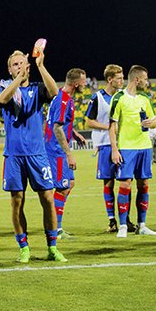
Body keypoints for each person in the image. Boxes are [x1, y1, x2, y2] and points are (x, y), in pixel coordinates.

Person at [0, 46, 66, 263]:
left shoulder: (36, 89)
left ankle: (52, 247)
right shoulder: (4, 86)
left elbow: (54, 92)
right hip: (14, 156)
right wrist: (18, 78)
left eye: (21, 63)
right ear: (9, 69)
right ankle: (23, 247)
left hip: (37, 155)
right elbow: (3, 99)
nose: (19, 66)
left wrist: (40, 66)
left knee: (47, 198)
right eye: (15, 64)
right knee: (17, 201)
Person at [109, 65, 156, 237]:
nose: (147, 82)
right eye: (145, 79)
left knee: (143, 184)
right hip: (127, 147)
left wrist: (150, 123)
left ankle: (142, 225)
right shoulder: (119, 98)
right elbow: (112, 125)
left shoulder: (144, 98)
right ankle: (123, 225)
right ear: (137, 79)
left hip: (144, 147)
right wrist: (115, 149)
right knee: (125, 185)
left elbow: (154, 121)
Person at [45, 68, 88, 238]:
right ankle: (56, 229)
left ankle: (56, 226)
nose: (85, 85)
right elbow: (56, 127)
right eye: (83, 82)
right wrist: (69, 153)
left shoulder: (63, 97)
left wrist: (74, 133)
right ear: (76, 83)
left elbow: (61, 122)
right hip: (56, 151)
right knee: (62, 188)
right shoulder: (63, 100)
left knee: (69, 184)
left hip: (57, 149)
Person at [84, 64, 125, 232]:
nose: (123, 80)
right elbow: (88, 121)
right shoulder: (97, 98)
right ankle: (112, 220)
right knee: (108, 183)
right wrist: (108, 127)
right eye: (119, 78)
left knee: (125, 183)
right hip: (105, 144)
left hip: (124, 144)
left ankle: (125, 220)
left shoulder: (124, 96)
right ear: (110, 79)